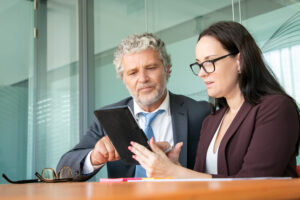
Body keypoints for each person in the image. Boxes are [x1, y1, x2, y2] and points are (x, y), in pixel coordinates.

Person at [129, 21, 300, 178]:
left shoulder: (277, 108)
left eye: (209, 62)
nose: (202, 73)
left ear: (239, 61)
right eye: (199, 64)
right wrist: (174, 167)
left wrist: (177, 172)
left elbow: (254, 183)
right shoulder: (212, 120)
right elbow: (202, 182)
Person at [56, 33, 211, 180]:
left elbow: (217, 172)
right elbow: (63, 169)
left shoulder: (200, 113)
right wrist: (94, 157)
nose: (143, 79)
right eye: (133, 73)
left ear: (167, 69)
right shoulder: (108, 117)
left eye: (151, 68)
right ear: (123, 79)